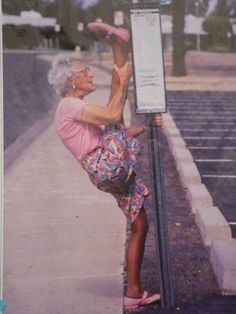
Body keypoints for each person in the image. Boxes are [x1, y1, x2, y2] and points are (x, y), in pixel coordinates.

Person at [48, 22, 162, 311]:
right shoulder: (69, 105)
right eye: (83, 70)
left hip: (105, 168)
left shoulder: (72, 109)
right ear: (71, 81)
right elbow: (112, 114)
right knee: (115, 107)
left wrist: (146, 125)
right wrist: (123, 82)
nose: (88, 73)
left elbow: (117, 134)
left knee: (140, 225)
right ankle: (117, 45)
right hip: (105, 165)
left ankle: (133, 294)